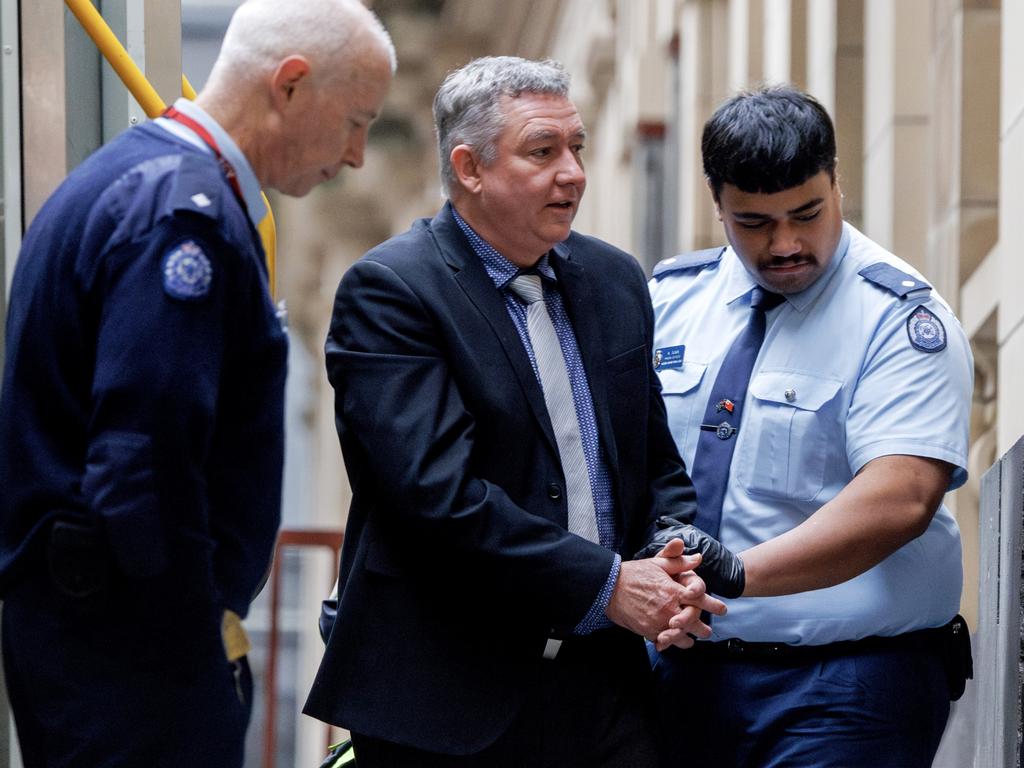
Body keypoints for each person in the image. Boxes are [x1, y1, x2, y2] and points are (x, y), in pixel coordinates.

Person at [304, 56, 739, 768]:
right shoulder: (390, 292)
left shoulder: (615, 280)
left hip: (609, 693)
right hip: (451, 705)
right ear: (469, 167)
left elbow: (653, 460)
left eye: (577, 148)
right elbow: (437, 499)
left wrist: (671, 558)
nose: (573, 172)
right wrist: (608, 585)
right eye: (544, 152)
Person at [0, 1, 394, 765]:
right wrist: (196, 650)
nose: (356, 156)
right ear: (289, 85)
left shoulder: (141, 181)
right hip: (136, 663)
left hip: (106, 646)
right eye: (355, 121)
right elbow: (140, 467)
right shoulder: (187, 217)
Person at [647, 85, 974, 767]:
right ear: (718, 204)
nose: (786, 243)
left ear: (837, 183)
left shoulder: (898, 319)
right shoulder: (669, 303)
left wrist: (740, 574)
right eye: (754, 222)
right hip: (677, 677)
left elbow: (902, 496)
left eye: (806, 213)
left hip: (848, 684)